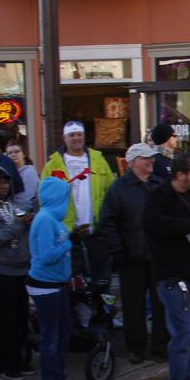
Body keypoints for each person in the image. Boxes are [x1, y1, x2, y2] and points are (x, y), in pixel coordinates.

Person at [144, 154, 190, 380]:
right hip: (172, 276)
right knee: (181, 333)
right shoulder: (158, 196)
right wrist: (187, 226)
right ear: (181, 175)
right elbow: (152, 223)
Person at [97, 143, 169, 364]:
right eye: (145, 158)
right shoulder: (118, 189)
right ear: (133, 162)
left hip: (157, 255)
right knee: (133, 306)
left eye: (151, 157)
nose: (151, 161)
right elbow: (107, 222)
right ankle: (136, 348)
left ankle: (160, 347)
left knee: (161, 303)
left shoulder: (159, 184)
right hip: (131, 256)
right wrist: (118, 250)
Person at [41, 120, 115, 283]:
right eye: (71, 135)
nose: (76, 138)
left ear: (84, 136)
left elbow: (111, 193)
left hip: (95, 230)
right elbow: (44, 198)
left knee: (101, 279)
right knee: (73, 281)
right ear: (64, 138)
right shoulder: (53, 163)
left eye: (79, 134)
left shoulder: (98, 160)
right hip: (67, 233)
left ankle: (102, 307)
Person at [27, 177, 80, 380]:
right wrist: (68, 243)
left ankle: (59, 376)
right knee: (52, 336)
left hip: (55, 284)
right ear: (57, 197)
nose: (68, 202)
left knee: (63, 332)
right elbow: (47, 256)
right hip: (45, 286)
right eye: (66, 197)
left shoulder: (51, 218)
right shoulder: (45, 219)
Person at [0, 166, 34, 380]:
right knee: (5, 319)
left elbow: (20, 228)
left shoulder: (14, 204)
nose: (3, 187)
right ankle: (5, 364)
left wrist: (28, 221)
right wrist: (17, 225)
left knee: (21, 317)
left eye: (5, 182)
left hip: (20, 269)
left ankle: (20, 360)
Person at [5, 140, 39, 208]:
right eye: (9, 153)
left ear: (23, 154)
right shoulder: (7, 172)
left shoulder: (29, 172)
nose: (13, 155)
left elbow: (26, 199)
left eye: (16, 152)